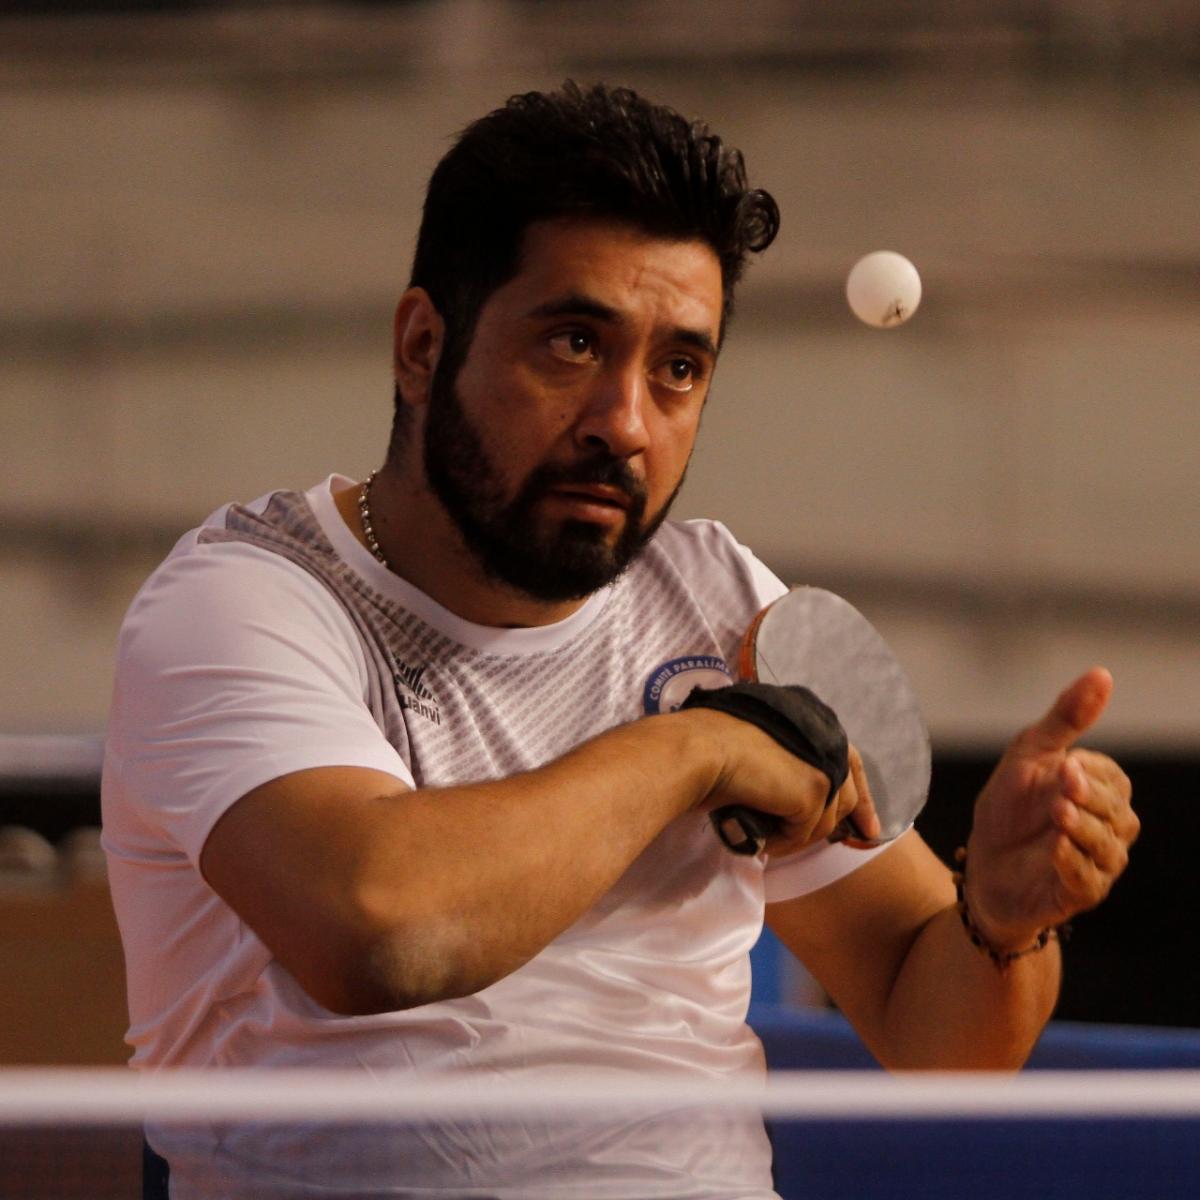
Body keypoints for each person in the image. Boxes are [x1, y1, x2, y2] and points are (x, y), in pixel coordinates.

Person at [101, 82, 1138, 1199]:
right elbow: (379, 935)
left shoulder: (723, 601)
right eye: (575, 343)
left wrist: (1002, 921)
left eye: (678, 368)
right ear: (421, 346)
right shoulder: (246, 602)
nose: (625, 422)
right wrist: (693, 752)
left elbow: (947, 1049)